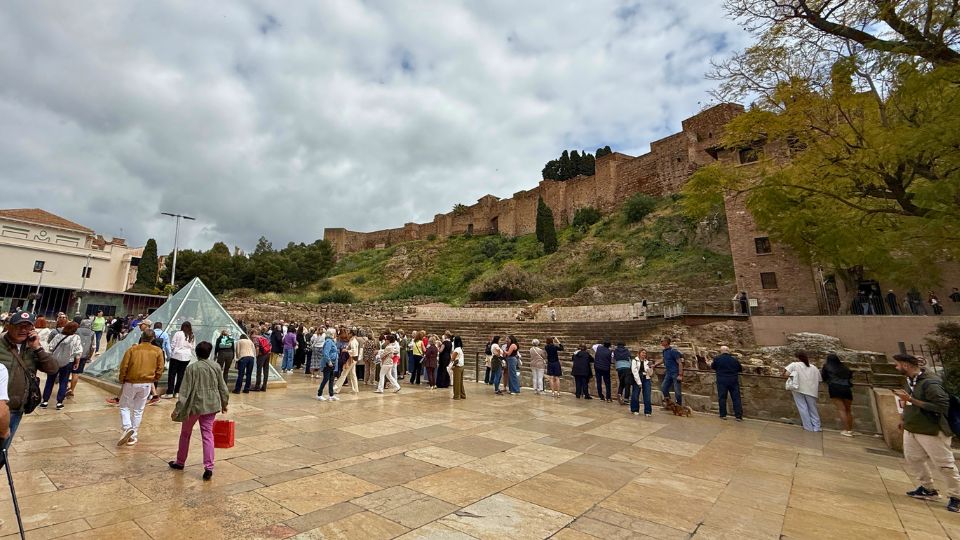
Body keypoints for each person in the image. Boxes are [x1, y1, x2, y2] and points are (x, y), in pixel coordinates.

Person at [892, 353, 960, 512]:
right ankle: (928, 489)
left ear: (906, 365)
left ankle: (957, 496)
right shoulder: (910, 380)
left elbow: (942, 406)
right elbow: (908, 402)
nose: (896, 367)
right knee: (913, 458)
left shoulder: (931, 383)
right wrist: (903, 418)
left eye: (897, 364)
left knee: (945, 465)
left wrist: (911, 400)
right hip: (913, 427)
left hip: (931, 429)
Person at [168, 341, 229, 481]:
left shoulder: (192, 368)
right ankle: (209, 467)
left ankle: (180, 461)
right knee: (207, 435)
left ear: (196, 352)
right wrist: (224, 403)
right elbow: (223, 387)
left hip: (194, 406)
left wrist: (178, 409)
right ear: (210, 352)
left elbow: (184, 392)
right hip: (211, 405)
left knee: (185, 433)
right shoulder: (215, 366)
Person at [0, 312, 58, 448]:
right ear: (9, 326)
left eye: (28, 327)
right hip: (1, 406)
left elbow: (53, 369)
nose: (23, 330)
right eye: (19, 326)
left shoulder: (32, 348)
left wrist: (38, 348)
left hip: (15, 410)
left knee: (2, 451)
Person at [117, 330, 165, 447]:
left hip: (131, 381)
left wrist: (122, 378)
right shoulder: (157, 351)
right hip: (147, 383)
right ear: (152, 338)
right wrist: (155, 378)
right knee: (139, 410)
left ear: (141, 337)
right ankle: (133, 436)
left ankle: (127, 427)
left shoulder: (132, 350)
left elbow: (124, 366)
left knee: (124, 406)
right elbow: (160, 368)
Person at [43, 321, 82, 410]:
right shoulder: (76, 338)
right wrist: (77, 363)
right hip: (68, 362)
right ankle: (59, 402)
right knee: (63, 382)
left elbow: (50, 348)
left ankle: (45, 401)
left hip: (54, 361)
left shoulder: (58, 336)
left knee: (50, 381)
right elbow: (78, 352)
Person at [785, 351, 822, 432]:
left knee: (802, 408)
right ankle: (817, 426)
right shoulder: (814, 367)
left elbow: (786, 374)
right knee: (813, 408)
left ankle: (808, 427)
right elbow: (819, 379)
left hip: (798, 388)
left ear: (797, 357)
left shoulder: (794, 365)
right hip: (811, 390)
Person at [821, 353, 855, 436]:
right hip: (846, 388)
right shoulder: (844, 367)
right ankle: (850, 430)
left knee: (841, 409)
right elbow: (850, 376)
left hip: (835, 387)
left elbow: (824, 377)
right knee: (848, 410)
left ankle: (846, 430)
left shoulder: (827, 366)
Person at [710, 346, 743, 421]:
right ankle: (738, 416)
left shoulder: (717, 359)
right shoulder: (734, 359)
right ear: (728, 351)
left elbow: (713, 367)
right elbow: (740, 369)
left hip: (722, 380)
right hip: (733, 380)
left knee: (722, 397)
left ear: (721, 351)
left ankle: (723, 414)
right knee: (736, 398)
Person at [67, 318, 97, 399]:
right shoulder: (92, 333)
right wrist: (89, 356)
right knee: (76, 373)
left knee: (67, 372)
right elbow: (93, 346)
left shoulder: (76, 330)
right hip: (83, 356)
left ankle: (65, 387)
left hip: (72, 355)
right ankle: (72, 390)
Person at [164, 321, 195, 398]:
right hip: (186, 357)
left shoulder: (178, 333)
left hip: (176, 356)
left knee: (172, 374)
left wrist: (171, 352)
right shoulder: (192, 335)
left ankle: (170, 392)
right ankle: (177, 392)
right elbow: (193, 347)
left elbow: (173, 344)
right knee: (181, 374)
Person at [656, 337, 684, 406]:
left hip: (675, 373)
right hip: (668, 373)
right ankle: (669, 403)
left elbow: (679, 363)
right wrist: (655, 364)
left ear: (666, 342)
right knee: (663, 387)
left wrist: (680, 374)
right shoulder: (664, 351)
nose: (661, 342)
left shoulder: (673, 351)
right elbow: (664, 360)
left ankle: (678, 405)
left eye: (662, 341)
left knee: (677, 391)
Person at [333, 328, 359, 394]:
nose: (348, 334)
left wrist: (346, 350)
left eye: (349, 333)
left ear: (351, 334)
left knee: (344, 374)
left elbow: (354, 351)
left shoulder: (353, 342)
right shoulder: (353, 341)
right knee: (353, 374)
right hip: (353, 359)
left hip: (351, 359)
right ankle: (355, 389)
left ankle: (336, 388)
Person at [316, 329, 340, 401]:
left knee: (331, 379)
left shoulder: (331, 341)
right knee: (326, 378)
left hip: (332, 362)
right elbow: (326, 352)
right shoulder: (329, 342)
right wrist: (329, 361)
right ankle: (319, 394)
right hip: (328, 363)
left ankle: (331, 395)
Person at [630, 349, 654, 416]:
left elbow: (651, 374)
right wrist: (639, 382)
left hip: (646, 378)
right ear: (639, 353)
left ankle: (647, 411)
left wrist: (650, 368)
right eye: (643, 353)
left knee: (647, 395)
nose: (644, 354)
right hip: (638, 378)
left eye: (645, 353)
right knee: (635, 394)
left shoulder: (647, 362)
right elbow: (634, 371)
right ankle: (635, 409)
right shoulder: (635, 361)